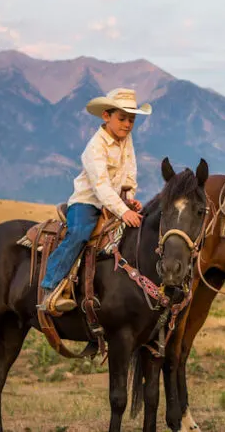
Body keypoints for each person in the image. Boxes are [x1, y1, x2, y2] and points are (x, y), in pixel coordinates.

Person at [40, 87, 151, 312]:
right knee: (80, 233)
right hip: (87, 202)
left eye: (131, 120)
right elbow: (100, 187)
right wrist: (124, 211)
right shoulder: (95, 147)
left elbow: (130, 173)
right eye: (122, 118)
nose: (127, 125)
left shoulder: (126, 140)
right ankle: (51, 286)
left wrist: (130, 199)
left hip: (114, 203)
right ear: (106, 116)